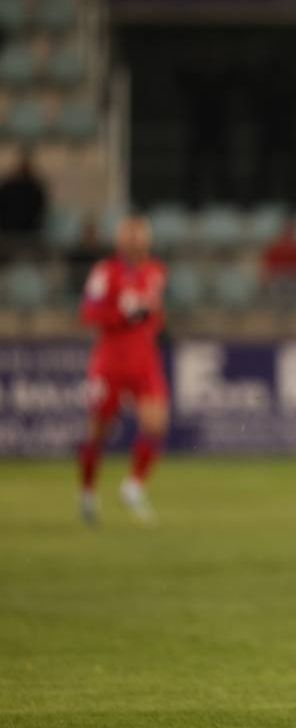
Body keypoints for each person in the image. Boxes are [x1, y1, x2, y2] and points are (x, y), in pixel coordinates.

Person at [77, 216, 167, 526]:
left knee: (156, 422)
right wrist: (121, 315)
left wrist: (151, 322)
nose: (136, 241)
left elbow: (154, 313)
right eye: (130, 236)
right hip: (110, 359)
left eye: (140, 236)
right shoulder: (105, 272)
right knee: (99, 431)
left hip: (143, 356)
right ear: (119, 240)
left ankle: (133, 486)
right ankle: (87, 493)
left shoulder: (155, 270)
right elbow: (88, 313)